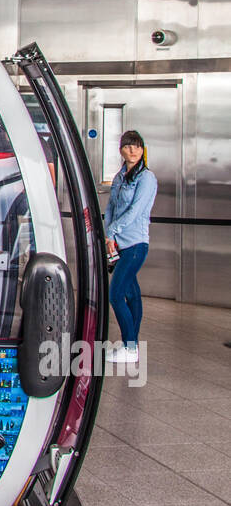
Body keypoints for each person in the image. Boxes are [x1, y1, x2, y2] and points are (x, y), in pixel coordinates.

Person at [104, 130, 157, 363]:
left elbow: (135, 211)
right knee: (132, 295)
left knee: (116, 295)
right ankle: (131, 348)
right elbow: (111, 207)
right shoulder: (120, 177)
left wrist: (113, 230)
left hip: (136, 244)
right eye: (128, 146)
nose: (133, 150)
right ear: (121, 150)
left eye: (137, 146)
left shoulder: (146, 178)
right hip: (119, 244)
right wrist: (108, 235)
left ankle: (130, 346)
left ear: (142, 149)